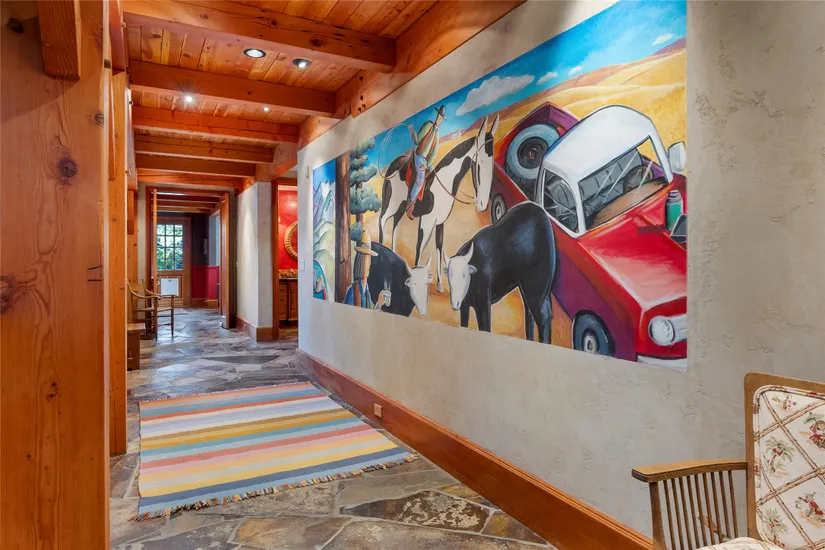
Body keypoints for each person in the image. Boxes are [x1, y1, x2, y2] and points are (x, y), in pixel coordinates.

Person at [405, 105, 446, 219]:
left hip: (426, 161)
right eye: (439, 117)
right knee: (420, 179)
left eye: (441, 118)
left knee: (434, 173)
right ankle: (410, 205)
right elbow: (417, 140)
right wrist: (412, 131)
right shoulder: (428, 125)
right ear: (437, 116)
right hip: (419, 156)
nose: (439, 120)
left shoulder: (437, 134)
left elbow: (434, 154)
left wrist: (427, 164)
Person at [344, 231, 388, 310]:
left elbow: (368, 315)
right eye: (365, 258)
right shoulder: (352, 291)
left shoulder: (367, 291)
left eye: (369, 259)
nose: (368, 263)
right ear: (360, 261)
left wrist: (379, 304)